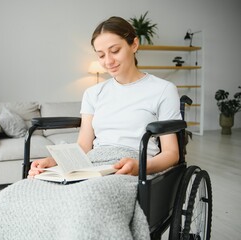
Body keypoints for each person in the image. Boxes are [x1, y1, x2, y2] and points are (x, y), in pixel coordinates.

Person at [28, 16, 181, 178]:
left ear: (134, 45)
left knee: (88, 196)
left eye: (115, 51)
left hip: (134, 165)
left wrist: (141, 167)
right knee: (22, 191)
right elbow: (83, 147)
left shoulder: (163, 90)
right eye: (101, 55)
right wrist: (53, 161)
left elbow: (172, 153)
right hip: (93, 164)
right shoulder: (93, 93)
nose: (108, 61)